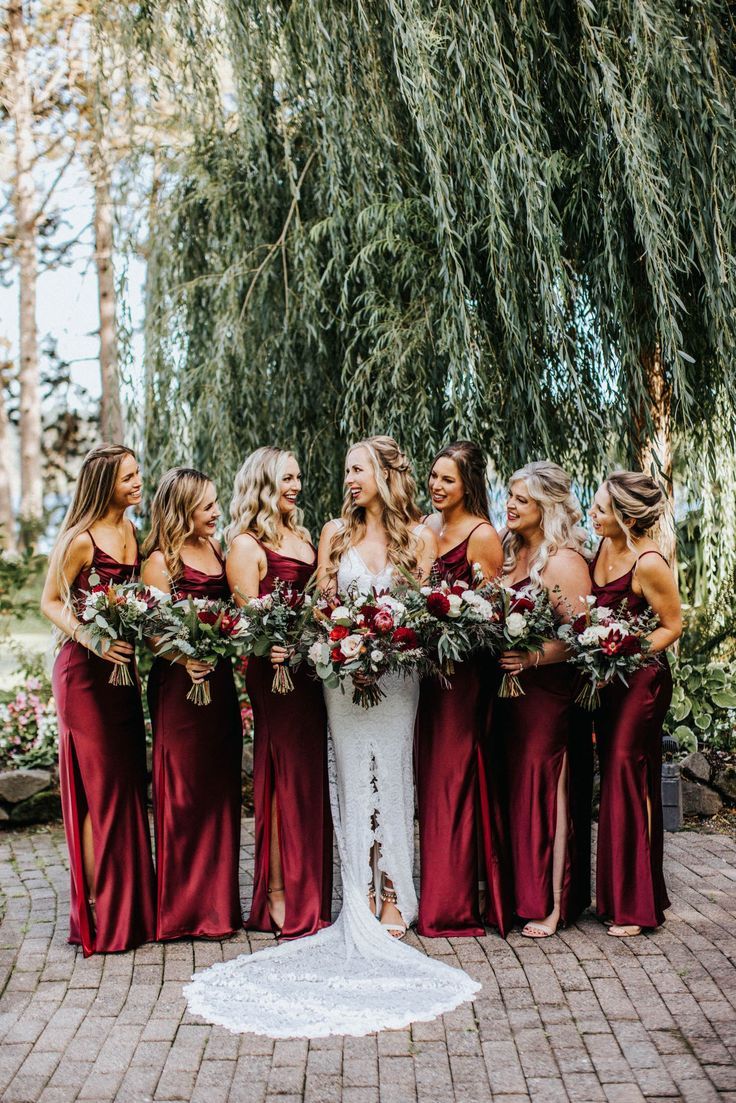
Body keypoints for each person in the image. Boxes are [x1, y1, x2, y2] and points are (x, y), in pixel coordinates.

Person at [184, 437, 481, 1037]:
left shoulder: (416, 538)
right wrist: (345, 643)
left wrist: (386, 644)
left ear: (382, 476)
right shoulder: (333, 535)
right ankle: (359, 894)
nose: (348, 478)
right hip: (342, 680)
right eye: (344, 468)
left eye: (357, 469)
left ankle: (394, 892)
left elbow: (422, 613)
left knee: (393, 776)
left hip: (396, 678)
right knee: (350, 780)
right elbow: (321, 606)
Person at [40, 444, 155, 956]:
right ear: (105, 482)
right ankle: (97, 911)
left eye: (137, 474)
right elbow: (49, 602)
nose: (137, 481)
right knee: (99, 790)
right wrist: (91, 637)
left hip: (122, 675)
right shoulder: (79, 541)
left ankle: (130, 905)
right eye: (128, 476)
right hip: (84, 675)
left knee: (127, 787)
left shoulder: (133, 533)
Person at [226, 446, 332, 939]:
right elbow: (247, 621)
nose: (297, 485)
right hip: (274, 675)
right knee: (280, 774)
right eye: (287, 478)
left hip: (310, 674)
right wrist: (272, 643)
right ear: (265, 483)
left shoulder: (305, 538)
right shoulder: (247, 546)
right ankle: (276, 893)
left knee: (309, 776)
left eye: (299, 476)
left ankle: (311, 888)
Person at [415, 440, 512, 937]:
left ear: (467, 485)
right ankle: (438, 889)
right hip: (426, 674)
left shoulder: (482, 537)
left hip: (463, 678)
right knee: (430, 778)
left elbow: (491, 618)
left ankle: (452, 903)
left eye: (446, 479)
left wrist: (452, 616)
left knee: (453, 778)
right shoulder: (427, 528)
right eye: (433, 475)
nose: (435, 485)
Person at [143, 468, 243, 940]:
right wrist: (184, 659)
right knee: (183, 793)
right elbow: (152, 634)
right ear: (183, 509)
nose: (216, 512)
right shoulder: (160, 562)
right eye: (207, 506)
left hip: (217, 685)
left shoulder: (217, 551)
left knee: (218, 789)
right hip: (178, 690)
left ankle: (218, 908)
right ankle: (182, 911)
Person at [496, 460, 594, 938]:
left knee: (546, 792)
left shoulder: (562, 562)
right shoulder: (510, 554)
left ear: (546, 506)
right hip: (507, 695)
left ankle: (554, 903)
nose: (511, 505)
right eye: (510, 496)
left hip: (546, 698)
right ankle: (518, 893)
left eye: (522, 499)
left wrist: (532, 658)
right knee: (513, 790)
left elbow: (583, 637)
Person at [589, 471, 682, 936]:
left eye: (601, 510)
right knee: (616, 774)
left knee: (629, 771)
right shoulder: (602, 549)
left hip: (643, 681)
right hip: (609, 681)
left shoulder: (649, 564)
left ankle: (636, 906)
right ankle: (622, 893)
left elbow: (672, 626)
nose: (593, 515)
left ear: (626, 517)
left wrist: (626, 650)